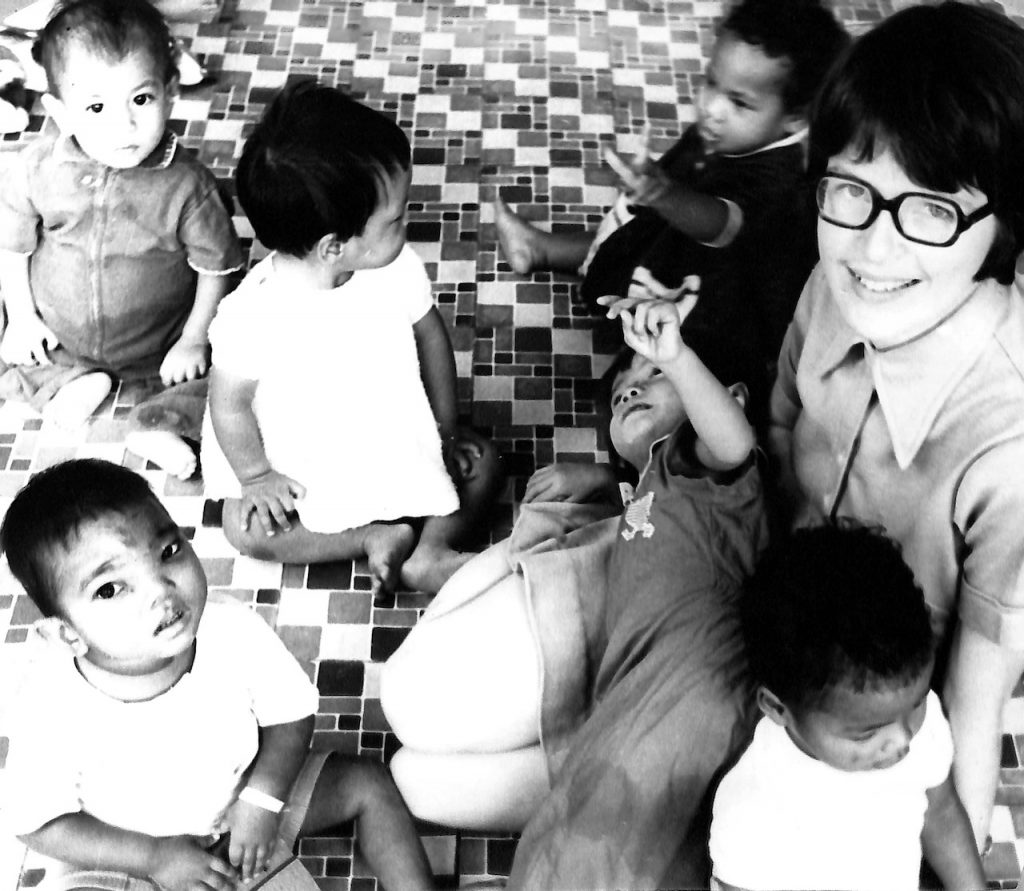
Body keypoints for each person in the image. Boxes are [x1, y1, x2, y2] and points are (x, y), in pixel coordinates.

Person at [380, 292, 769, 889]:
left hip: (664, 702)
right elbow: (639, 517)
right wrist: (608, 481)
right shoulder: (648, 491)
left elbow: (733, 447)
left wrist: (681, 357)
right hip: (608, 703)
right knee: (410, 780)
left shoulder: (711, 472)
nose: (632, 389)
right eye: (620, 395)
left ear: (730, 395)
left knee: (410, 712)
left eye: (654, 375)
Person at [768, 0, 1024, 853]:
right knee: (433, 725)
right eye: (851, 190)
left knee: (449, 777)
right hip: (775, 625)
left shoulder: (1012, 439)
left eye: (931, 209)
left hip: (863, 699)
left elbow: (979, 678)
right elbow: (773, 451)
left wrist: (941, 854)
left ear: (1003, 225)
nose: (872, 252)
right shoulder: (828, 283)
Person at [0, 458, 436, 891]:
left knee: (368, 783)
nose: (160, 589)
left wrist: (262, 799)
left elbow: (290, 716)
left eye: (168, 552)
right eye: (110, 588)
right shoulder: (49, 708)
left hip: (241, 803)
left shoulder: (231, 628)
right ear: (66, 634)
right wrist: (153, 857)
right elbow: (35, 822)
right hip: (128, 852)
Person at [201, 79, 500, 597]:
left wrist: (447, 431)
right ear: (334, 247)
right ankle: (373, 537)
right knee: (243, 529)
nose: (408, 225)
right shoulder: (253, 314)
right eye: (396, 219)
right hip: (310, 463)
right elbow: (229, 405)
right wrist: (255, 478)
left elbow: (432, 341)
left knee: (484, 460)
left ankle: (430, 552)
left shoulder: (395, 268)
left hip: (394, 435)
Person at [494, 0, 849, 404]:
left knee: (659, 371)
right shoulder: (734, 132)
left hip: (723, 305)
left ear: (796, 118)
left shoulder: (781, 179)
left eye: (739, 102)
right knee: (638, 234)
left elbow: (723, 224)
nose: (711, 108)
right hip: (682, 247)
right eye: (711, 82)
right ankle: (542, 250)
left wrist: (663, 194)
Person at [0, 0, 242, 465]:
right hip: (57, 335)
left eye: (141, 99)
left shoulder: (189, 186)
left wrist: (193, 338)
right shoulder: (39, 168)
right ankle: (64, 382)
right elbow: (13, 243)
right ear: (60, 112)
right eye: (95, 107)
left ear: (170, 91)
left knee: (238, 366)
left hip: (161, 345)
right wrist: (23, 316)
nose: (123, 125)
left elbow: (217, 268)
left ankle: (157, 423)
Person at [709, 521, 984, 891]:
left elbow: (942, 814)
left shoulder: (915, 722)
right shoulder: (752, 810)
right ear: (777, 708)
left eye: (916, 705)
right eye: (866, 734)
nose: (903, 739)